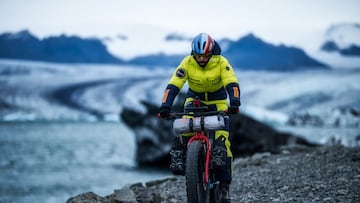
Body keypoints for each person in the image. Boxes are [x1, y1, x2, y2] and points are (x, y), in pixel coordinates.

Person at [158, 33, 241, 202]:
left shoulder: (221, 62)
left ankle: (224, 186)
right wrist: (166, 106)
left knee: (222, 140)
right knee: (184, 130)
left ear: (211, 53)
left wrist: (234, 102)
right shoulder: (187, 62)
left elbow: (231, 82)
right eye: (198, 56)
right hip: (194, 101)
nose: (201, 59)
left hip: (217, 102)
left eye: (205, 55)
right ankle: (183, 160)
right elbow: (174, 84)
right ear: (193, 53)